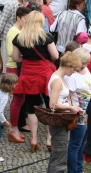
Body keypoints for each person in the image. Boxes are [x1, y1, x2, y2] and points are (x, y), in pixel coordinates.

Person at [12, 11, 59, 152]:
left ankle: (34, 139)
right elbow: (55, 55)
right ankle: (49, 139)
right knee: (50, 106)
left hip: (28, 73)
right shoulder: (46, 37)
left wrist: (26, 60)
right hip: (44, 74)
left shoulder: (19, 37)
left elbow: (15, 58)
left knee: (31, 108)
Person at [47, 51, 83, 173]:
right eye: (74, 69)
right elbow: (52, 104)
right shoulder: (57, 80)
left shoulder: (62, 78)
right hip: (58, 121)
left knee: (59, 154)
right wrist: (70, 108)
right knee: (60, 155)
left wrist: (74, 107)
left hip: (63, 119)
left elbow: (64, 99)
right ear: (67, 66)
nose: (74, 72)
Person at [66, 48, 91, 173]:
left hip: (88, 113)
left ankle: (79, 169)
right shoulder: (73, 76)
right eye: (82, 63)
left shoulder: (86, 71)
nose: (84, 65)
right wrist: (72, 107)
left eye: (86, 63)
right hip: (79, 115)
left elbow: (88, 87)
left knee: (82, 144)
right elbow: (68, 95)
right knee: (75, 145)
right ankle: (73, 170)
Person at [6, 7, 32, 136]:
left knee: (20, 99)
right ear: (18, 18)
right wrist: (26, 57)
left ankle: (15, 126)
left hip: (15, 67)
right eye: (25, 19)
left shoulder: (18, 31)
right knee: (18, 99)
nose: (27, 21)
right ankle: (14, 127)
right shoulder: (15, 32)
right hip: (13, 68)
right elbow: (11, 52)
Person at [0, 0, 30, 69]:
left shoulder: (23, 2)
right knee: (7, 61)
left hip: (18, 35)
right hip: (7, 36)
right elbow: (3, 20)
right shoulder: (11, 4)